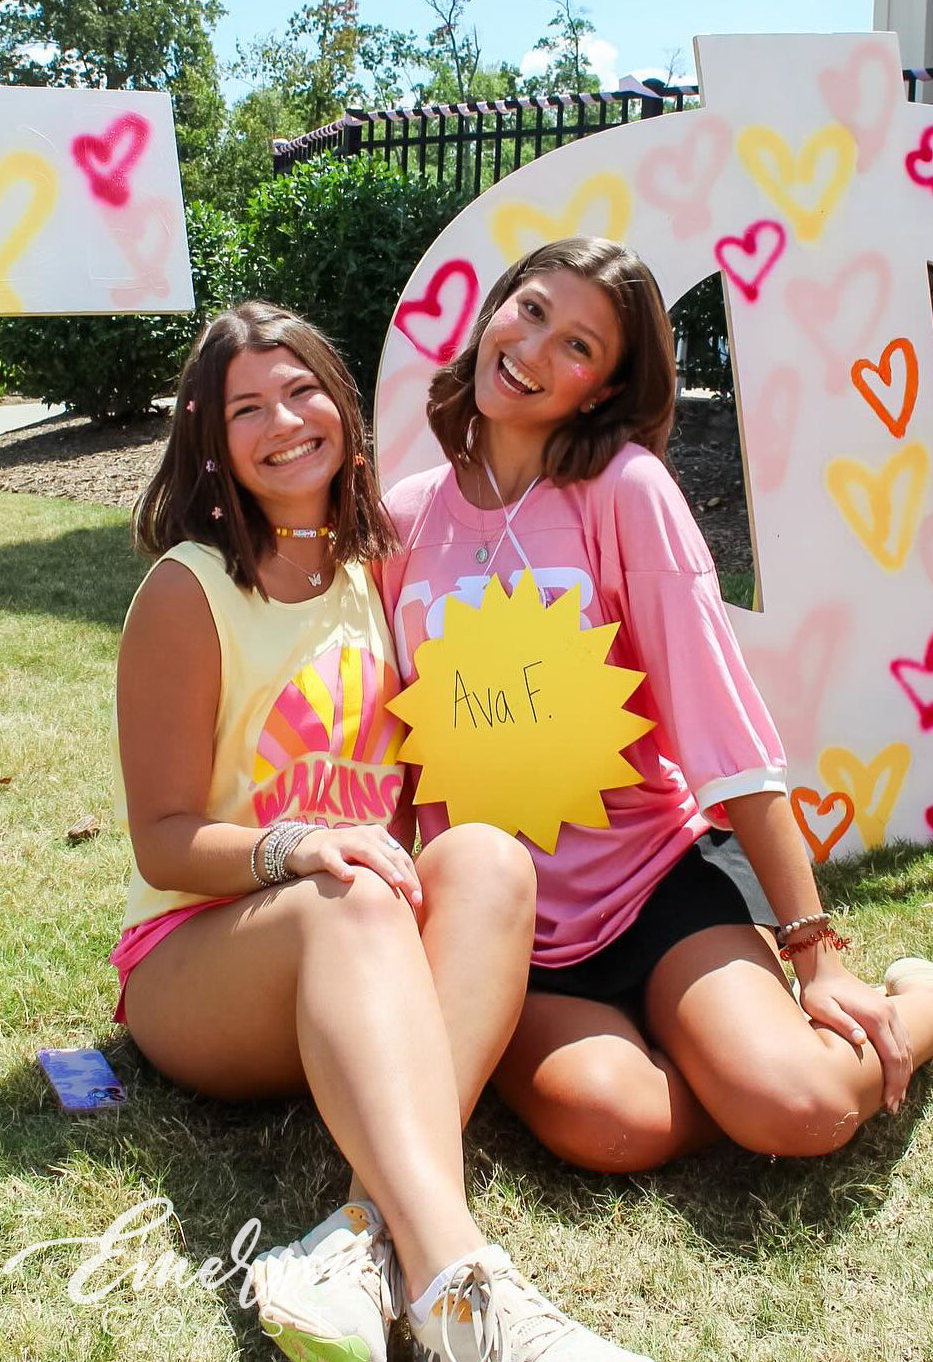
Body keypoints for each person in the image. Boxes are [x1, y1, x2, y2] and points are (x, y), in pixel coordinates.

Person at [111, 300, 662, 1362]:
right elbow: (165, 842)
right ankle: (468, 1293)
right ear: (209, 439)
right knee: (354, 883)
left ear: (345, 407)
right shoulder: (187, 593)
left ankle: (358, 1240)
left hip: (353, 947)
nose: (284, 420)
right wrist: (296, 843)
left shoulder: (379, 571)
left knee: (490, 855)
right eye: (246, 408)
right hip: (201, 959)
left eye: (304, 389)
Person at [379, 237, 933, 1175]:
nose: (535, 348)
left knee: (797, 1106)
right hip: (512, 928)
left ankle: (915, 998)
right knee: (609, 1127)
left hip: (655, 881)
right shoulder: (399, 518)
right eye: (531, 309)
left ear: (599, 389)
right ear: (495, 309)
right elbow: (393, 743)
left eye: (579, 347)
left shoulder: (623, 490)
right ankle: (714, 1056)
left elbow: (725, 729)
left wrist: (814, 952)